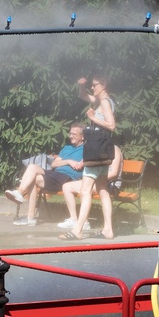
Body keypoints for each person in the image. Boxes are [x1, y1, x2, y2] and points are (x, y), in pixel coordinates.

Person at [61, 75, 116, 240]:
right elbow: (83, 96)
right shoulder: (101, 101)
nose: (93, 88)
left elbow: (112, 125)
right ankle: (108, 229)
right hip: (102, 152)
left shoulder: (105, 103)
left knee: (85, 191)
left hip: (96, 151)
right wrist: (81, 86)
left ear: (104, 85)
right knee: (103, 190)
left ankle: (77, 230)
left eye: (94, 85)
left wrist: (92, 118)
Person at [4, 122, 85, 226]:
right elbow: (54, 164)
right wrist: (69, 161)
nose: (71, 136)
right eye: (70, 133)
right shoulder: (67, 148)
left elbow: (83, 164)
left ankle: (30, 217)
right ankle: (19, 193)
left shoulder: (86, 149)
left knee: (32, 179)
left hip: (66, 178)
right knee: (32, 167)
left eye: (74, 134)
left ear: (82, 137)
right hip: (54, 174)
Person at [59, 144, 122, 231]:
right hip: (96, 181)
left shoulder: (114, 149)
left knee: (85, 189)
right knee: (67, 186)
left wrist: (96, 179)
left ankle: (85, 223)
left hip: (110, 183)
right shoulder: (97, 148)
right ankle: (73, 219)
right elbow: (84, 163)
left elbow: (114, 173)